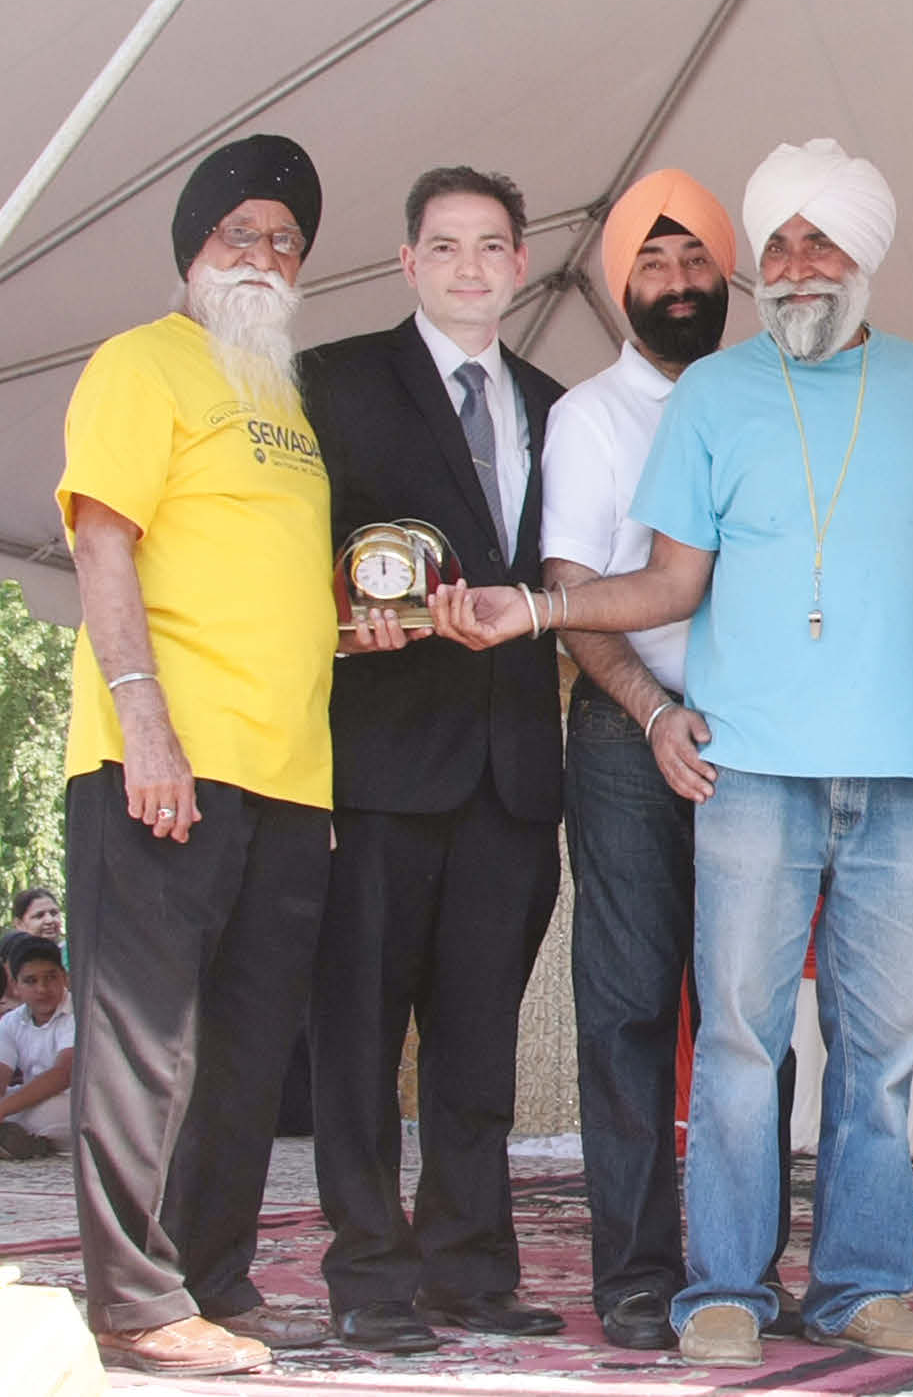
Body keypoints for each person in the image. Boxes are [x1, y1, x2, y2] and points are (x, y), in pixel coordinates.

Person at [432, 137, 913, 1370]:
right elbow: (670, 580)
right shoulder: (715, 394)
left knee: (883, 1050)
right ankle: (720, 1282)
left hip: (902, 766)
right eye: (775, 243)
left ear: (864, 257)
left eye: (817, 241)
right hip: (753, 764)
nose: (792, 265)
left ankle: (862, 1285)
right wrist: (537, 608)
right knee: (736, 1038)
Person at [57, 134, 380, 1375]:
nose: (265, 255)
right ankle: (135, 1304)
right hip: (163, 760)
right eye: (240, 233)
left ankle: (216, 1280)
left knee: (249, 1041)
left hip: (291, 778)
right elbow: (100, 541)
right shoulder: (142, 364)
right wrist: (144, 719)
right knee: (148, 1038)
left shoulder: (286, 402)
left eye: (286, 241)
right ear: (193, 249)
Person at [298, 167, 566, 1355]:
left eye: (491, 245)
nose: (470, 266)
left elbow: (563, 571)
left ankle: (468, 1265)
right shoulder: (335, 379)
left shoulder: (557, 404)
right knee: (359, 1036)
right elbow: (297, 546)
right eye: (445, 245)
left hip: (511, 770)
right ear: (406, 261)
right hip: (377, 763)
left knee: (477, 1041)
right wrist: (331, 613)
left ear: (518, 263)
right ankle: (367, 1273)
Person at [539, 168, 798, 1348]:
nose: (679, 283)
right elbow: (575, 595)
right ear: (619, 287)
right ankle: (638, 1275)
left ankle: (743, 1268)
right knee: (632, 1007)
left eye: (696, 261)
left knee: (752, 1016)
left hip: (764, 738)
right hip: (629, 733)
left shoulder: (775, 394)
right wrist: (651, 711)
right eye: (654, 263)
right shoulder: (592, 416)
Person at [0, 937, 73, 1159]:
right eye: (31, 981)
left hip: (75, 1103)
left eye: (51, 977)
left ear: (64, 976)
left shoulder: (80, 1013)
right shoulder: (11, 1022)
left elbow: (63, 1075)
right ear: (15, 986)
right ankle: (16, 1141)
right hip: (30, 1100)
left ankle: (16, 1140)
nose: (42, 988)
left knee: (52, 1112)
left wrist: (2, 1110)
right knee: (21, 1103)